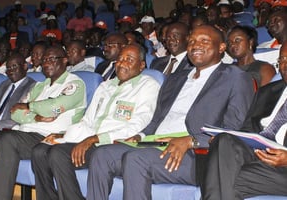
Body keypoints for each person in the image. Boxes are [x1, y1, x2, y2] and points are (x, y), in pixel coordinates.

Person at [86, 25, 255, 200]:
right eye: (191, 41)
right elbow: (156, 119)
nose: (195, 45)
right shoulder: (176, 78)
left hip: (196, 153)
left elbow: (235, 129)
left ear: (221, 47)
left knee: (136, 160)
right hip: (154, 144)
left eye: (204, 40)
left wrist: (191, 141)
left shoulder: (236, 77)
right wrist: (140, 135)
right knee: (102, 154)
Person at [31, 44, 161, 200]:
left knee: (58, 154)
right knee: (40, 150)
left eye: (129, 59)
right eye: (120, 59)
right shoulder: (105, 86)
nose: (122, 63)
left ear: (141, 65)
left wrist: (95, 139)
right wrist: (63, 135)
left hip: (113, 145)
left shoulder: (148, 86)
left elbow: (138, 126)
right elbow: (87, 120)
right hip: (90, 140)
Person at [0, 45, 87, 200]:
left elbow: (52, 108)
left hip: (47, 137)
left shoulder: (75, 84)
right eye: (45, 59)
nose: (47, 63)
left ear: (65, 60)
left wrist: (29, 107)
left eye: (52, 59)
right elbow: (16, 113)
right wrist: (36, 117)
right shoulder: (40, 86)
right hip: (23, 133)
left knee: (9, 139)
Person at [201, 43, 287, 199]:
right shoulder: (267, 92)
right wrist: (231, 138)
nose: (285, 65)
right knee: (224, 140)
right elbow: (247, 130)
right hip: (258, 156)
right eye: (283, 59)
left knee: (221, 175)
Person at [0, 53, 36, 133]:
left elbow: (22, 118)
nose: (10, 71)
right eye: (8, 68)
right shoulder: (4, 84)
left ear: (24, 66)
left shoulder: (32, 87)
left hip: (7, 130)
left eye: (14, 66)